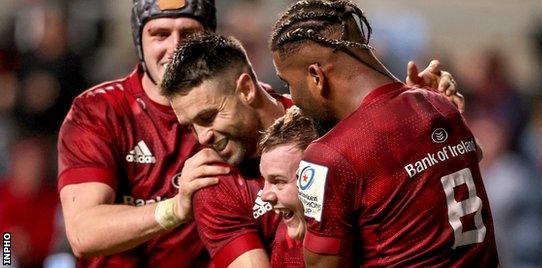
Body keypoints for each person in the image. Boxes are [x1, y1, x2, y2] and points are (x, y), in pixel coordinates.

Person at [160, 30, 463, 267]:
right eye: (190, 126)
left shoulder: (331, 118)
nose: (201, 138)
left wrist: (429, 115)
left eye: (207, 117)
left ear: (246, 90)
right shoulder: (212, 183)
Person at [270, 0, 498, 267]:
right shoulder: (440, 105)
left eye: (289, 83)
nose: (292, 96)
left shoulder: (329, 155)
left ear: (316, 76)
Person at [57, 0, 229, 266]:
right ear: (140, 42)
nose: (175, 48)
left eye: (188, 35)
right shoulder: (97, 111)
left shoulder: (241, 108)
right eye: (160, 34)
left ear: (210, 41)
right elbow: (82, 233)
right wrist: (176, 209)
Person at [257, 106, 318, 266]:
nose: (264, 195)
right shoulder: (285, 247)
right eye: (264, 180)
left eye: (278, 181)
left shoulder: (371, 232)